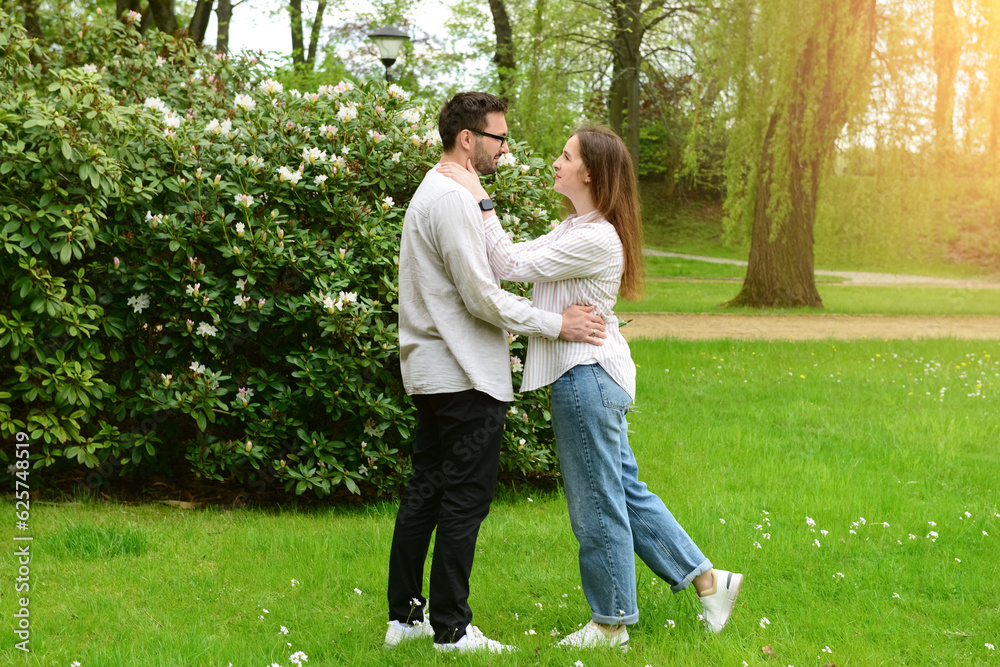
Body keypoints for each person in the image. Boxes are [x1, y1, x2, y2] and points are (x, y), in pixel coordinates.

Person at [438, 125, 743, 650]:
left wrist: (479, 198)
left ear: (591, 173)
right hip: (592, 377)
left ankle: (611, 623)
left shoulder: (594, 236)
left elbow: (505, 263)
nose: (556, 162)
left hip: (586, 378)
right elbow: (508, 259)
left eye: (566, 155)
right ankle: (709, 582)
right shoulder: (574, 228)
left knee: (596, 504)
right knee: (625, 493)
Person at [385, 92, 609, 654]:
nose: (503, 149)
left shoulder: (432, 191)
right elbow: (484, 296)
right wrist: (556, 324)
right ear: (469, 139)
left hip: (432, 371)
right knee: (464, 499)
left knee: (425, 494)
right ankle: (452, 632)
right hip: (462, 373)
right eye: (498, 139)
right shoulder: (452, 201)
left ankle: (405, 619)